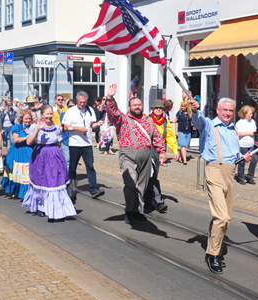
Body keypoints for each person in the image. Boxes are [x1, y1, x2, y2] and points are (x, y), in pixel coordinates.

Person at [191, 97, 252, 274]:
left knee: (225, 217)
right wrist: (195, 110)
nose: (227, 113)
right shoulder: (210, 125)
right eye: (224, 110)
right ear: (218, 111)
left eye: (231, 111)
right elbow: (198, 121)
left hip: (229, 174)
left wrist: (243, 158)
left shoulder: (233, 129)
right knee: (222, 216)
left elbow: (233, 154)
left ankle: (213, 246)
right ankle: (213, 254)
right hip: (214, 172)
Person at [105, 84, 166, 224]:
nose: (137, 107)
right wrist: (109, 97)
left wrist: (162, 152)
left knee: (141, 185)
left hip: (145, 156)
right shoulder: (122, 119)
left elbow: (156, 136)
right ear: (129, 107)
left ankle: (137, 210)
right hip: (128, 155)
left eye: (139, 105)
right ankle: (129, 210)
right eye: (134, 105)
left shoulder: (148, 120)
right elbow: (112, 112)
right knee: (130, 183)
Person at [22, 105, 77, 221]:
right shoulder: (35, 126)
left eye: (51, 113)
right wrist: (37, 129)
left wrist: (60, 156)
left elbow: (57, 143)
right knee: (42, 182)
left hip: (54, 157)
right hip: (40, 156)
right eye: (47, 114)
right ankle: (41, 207)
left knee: (55, 183)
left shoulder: (56, 127)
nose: (49, 116)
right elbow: (28, 142)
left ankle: (57, 209)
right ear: (42, 114)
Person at [62, 91, 105, 200]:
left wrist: (98, 124)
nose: (82, 104)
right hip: (74, 144)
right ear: (77, 101)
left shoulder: (90, 110)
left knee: (90, 166)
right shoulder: (71, 111)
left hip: (87, 143)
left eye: (84, 102)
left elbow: (92, 125)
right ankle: (71, 189)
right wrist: (78, 128)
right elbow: (66, 127)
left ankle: (94, 189)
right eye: (80, 102)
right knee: (72, 168)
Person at [146, 99, 179, 213]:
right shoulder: (146, 119)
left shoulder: (166, 122)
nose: (158, 109)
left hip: (158, 151)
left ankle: (150, 200)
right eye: (156, 108)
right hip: (146, 150)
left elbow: (170, 136)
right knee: (148, 175)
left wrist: (175, 151)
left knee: (152, 176)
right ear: (152, 109)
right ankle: (158, 201)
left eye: (160, 108)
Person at [1, 109, 34, 200]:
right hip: (19, 152)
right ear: (22, 118)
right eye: (26, 119)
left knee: (27, 173)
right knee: (18, 173)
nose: (28, 121)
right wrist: (28, 137)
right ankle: (14, 191)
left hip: (29, 151)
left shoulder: (32, 127)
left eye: (29, 119)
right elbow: (16, 140)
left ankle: (27, 192)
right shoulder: (17, 127)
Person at [235, 105, 258, 185]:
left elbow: (254, 130)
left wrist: (255, 133)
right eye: (250, 114)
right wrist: (249, 133)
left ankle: (250, 176)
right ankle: (241, 177)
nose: (251, 115)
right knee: (242, 162)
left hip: (251, 145)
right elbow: (238, 133)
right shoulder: (240, 123)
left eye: (251, 114)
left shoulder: (252, 121)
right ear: (244, 114)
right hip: (243, 145)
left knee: (254, 160)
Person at [60, 99, 76, 172]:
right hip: (66, 140)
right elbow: (66, 126)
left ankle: (72, 176)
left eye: (73, 106)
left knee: (73, 160)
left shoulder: (78, 115)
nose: (72, 108)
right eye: (70, 106)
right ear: (67, 106)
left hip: (75, 141)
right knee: (67, 160)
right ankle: (66, 178)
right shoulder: (63, 114)